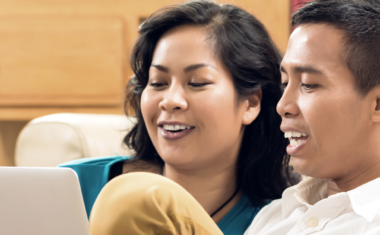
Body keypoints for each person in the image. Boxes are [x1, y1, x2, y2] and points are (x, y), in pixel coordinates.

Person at [60, 0, 296, 234]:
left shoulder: (280, 222)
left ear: (251, 103)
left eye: (197, 83)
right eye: (158, 83)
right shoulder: (70, 186)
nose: (170, 100)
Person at [244, 0, 380, 234]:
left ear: (377, 104)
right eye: (285, 83)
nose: (282, 105)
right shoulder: (273, 217)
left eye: (308, 85)